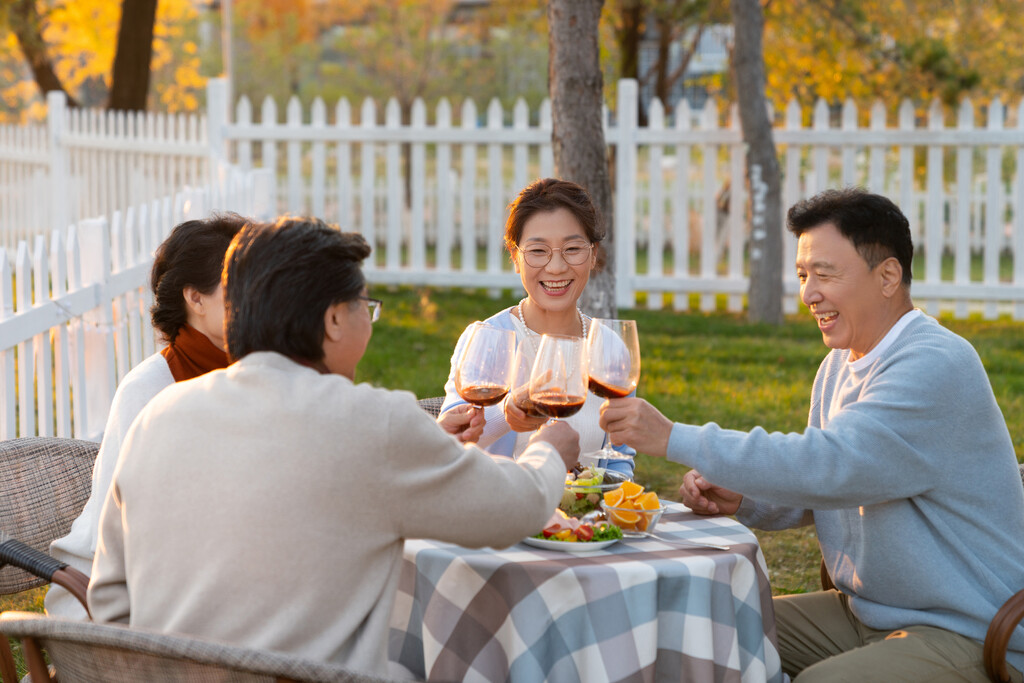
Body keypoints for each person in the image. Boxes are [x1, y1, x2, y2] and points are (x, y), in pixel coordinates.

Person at [87, 217, 579, 676]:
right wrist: (549, 448)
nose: (369, 320)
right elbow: (517, 507)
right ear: (334, 321)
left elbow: (109, 595)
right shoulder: (373, 421)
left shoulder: (158, 416)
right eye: (365, 306)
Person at [599, 187, 1024, 682]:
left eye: (825, 274)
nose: (807, 294)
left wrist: (672, 437)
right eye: (803, 275)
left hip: (970, 629)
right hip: (868, 611)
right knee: (700, 631)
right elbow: (839, 486)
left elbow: (833, 464)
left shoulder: (935, 364)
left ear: (888, 276)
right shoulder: (839, 365)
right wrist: (747, 498)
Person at [46, 213, 246, 619]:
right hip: (121, 593)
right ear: (196, 298)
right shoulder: (151, 389)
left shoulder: (257, 368)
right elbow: (123, 532)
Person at [439, 177, 635, 475]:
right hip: (504, 515)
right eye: (538, 251)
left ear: (593, 254)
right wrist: (508, 415)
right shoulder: (486, 339)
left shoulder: (610, 347)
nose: (556, 267)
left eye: (572, 249)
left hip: (587, 520)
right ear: (515, 256)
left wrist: (610, 503)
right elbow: (447, 449)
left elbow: (620, 456)